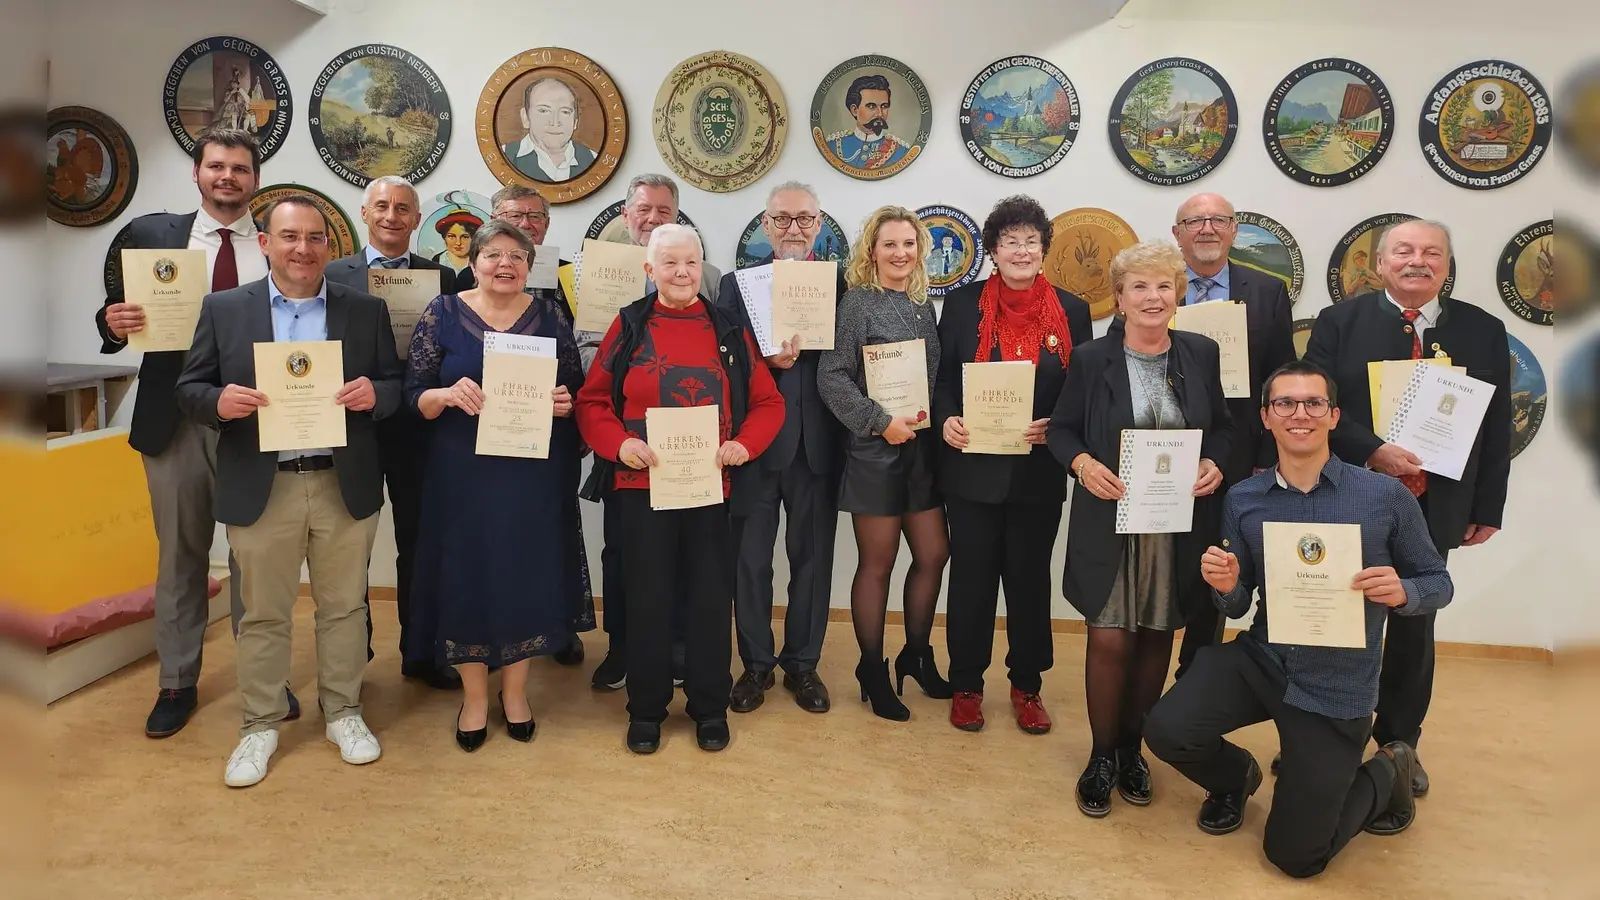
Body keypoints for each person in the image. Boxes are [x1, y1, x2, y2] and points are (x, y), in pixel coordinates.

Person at [1144, 359, 1452, 878]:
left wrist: (1404, 591)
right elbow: (1240, 605)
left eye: (1312, 403)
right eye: (1285, 403)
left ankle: (1387, 770)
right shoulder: (1244, 499)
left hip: (1339, 682)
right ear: (1266, 417)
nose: (1299, 414)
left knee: (1297, 856)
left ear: (1333, 415)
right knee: (1166, 729)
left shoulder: (1385, 496)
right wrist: (1226, 586)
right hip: (1264, 658)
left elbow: (1438, 583)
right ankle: (1234, 777)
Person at [174, 194, 403, 787]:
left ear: (331, 245)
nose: (304, 248)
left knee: (346, 607)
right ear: (267, 243)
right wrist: (216, 403)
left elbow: (394, 384)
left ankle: (343, 712)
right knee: (264, 615)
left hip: (340, 482)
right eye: (291, 237)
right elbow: (190, 387)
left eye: (315, 238)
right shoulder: (225, 309)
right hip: (262, 484)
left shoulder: (364, 308)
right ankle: (260, 724)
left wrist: (377, 396)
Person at [93, 129, 298, 738]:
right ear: (197, 173)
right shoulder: (154, 236)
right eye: (217, 166)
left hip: (254, 417)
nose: (228, 177)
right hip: (173, 421)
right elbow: (112, 310)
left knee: (256, 560)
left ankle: (263, 679)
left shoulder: (276, 244)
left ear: (255, 180)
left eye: (240, 168)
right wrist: (111, 321)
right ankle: (177, 681)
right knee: (181, 556)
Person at [1303, 219, 1510, 797]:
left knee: (1414, 627)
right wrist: (1375, 450)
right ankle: (1322, 737)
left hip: (1437, 503)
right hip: (1352, 494)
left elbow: (1495, 428)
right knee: (1336, 620)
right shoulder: (1339, 321)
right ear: (1380, 262)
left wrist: (1489, 506)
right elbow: (1316, 407)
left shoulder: (1483, 328)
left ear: (1446, 265)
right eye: (1404, 251)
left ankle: (1399, 746)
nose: (1417, 261)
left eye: (1431, 253)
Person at [576, 224, 785, 754]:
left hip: (712, 487)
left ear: (702, 266)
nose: (682, 273)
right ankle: (645, 710)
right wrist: (619, 443)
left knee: (711, 600)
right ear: (650, 270)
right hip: (641, 486)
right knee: (647, 599)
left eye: (690, 262)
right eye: (669, 263)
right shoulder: (627, 326)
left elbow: (768, 404)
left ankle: (708, 707)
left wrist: (745, 446)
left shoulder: (728, 329)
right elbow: (592, 402)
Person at [1046, 240, 1233, 817]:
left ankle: (1133, 751)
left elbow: (1224, 429)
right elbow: (1062, 431)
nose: (1153, 297)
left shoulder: (1200, 353)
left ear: (1179, 292)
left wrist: (1216, 462)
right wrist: (1083, 464)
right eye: (1139, 287)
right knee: (1109, 638)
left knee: (1156, 635)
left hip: (1177, 524)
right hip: (1111, 519)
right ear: (1120, 298)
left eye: (1163, 286)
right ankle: (1102, 755)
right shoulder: (1090, 359)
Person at [404, 220, 585, 752]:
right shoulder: (441, 312)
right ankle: (475, 698)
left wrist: (565, 401)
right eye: (493, 255)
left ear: (530, 265)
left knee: (523, 574)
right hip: (462, 473)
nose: (505, 264)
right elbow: (414, 394)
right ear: (474, 261)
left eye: (516, 257)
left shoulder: (550, 315)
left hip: (530, 471)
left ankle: (516, 694)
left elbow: (573, 389)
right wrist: (444, 394)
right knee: (468, 575)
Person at [933, 195, 1092, 733]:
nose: (1021, 250)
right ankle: (966, 684)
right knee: (972, 581)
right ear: (993, 251)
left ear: (1044, 249)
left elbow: (1080, 391)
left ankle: (1028, 685)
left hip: (1038, 471)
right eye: (1010, 242)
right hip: (971, 470)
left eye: (1031, 241)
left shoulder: (1072, 311)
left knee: (1028, 582)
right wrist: (947, 419)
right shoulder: (961, 305)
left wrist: (1059, 424)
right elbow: (940, 383)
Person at [580, 174, 720, 693]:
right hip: (626, 437)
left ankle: (680, 650)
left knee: (686, 558)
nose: (654, 217)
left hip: (694, 453)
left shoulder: (706, 275)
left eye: (665, 209)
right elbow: (585, 344)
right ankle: (623, 649)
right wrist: (623, 377)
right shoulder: (600, 270)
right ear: (625, 213)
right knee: (623, 551)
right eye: (645, 208)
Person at [324, 174, 460, 691]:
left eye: (403, 208)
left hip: (421, 430)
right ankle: (350, 657)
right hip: (352, 426)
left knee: (421, 543)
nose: (391, 216)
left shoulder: (444, 278)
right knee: (346, 548)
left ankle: (421, 650)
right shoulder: (332, 275)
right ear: (364, 213)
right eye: (381, 206)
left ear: (416, 218)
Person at [451, 183, 596, 667]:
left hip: (540, 450)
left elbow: (574, 373)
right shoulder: (452, 298)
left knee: (542, 542)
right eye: (512, 215)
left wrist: (565, 403)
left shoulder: (569, 285)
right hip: (471, 455)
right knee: (478, 553)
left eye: (534, 217)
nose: (525, 222)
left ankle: (551, 628)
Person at [716, 181, 846, 714]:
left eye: (804, 219)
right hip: (753, 445)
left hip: (817, 445)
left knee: (812, 559)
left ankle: (804, 666)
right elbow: (720, 366)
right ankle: (755, 666)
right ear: (765, 226)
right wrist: (764, 363)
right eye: (783, 219)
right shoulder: (735, 286)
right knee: (749, 562)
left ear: (820, 225)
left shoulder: (841, 286)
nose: (794, 228)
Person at [817, 205, 949, 722]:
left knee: (935, 553)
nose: (900, 253)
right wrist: (877, 421)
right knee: (878, 564)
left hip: (919, 448)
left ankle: (915, 653)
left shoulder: (922, 307)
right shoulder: (855, 304)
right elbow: (832, 376)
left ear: (920, 251)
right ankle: (871, 666)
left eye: (909, 244)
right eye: (890, 244)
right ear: (871, 251)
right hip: (875, 449)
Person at [1158, 193, 1296, 679]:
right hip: (1164, 446)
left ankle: (1194, 671)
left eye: (1218, 220)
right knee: (1164, 559)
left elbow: (1280, 380)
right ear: (1178, 234)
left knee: (1218, 558)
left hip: (1235, 453)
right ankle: (1150, 661)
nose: (1207, 229)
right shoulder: (1156, 286)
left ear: (1234, 230)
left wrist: (1265, 453)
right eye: (1194, 221)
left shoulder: (1266, 291)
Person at [502, 76, 597, 184]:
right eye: (543, 111)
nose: (555, 122)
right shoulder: (505, 156)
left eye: (565, 112)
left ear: (575, 121)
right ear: (525, 117)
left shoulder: (593, 159)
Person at [824, 74, 911, 170]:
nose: (880, 114)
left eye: (884, 106)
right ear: (854, 110)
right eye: (871, 106)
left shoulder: (901, 151)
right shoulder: (833, 146)